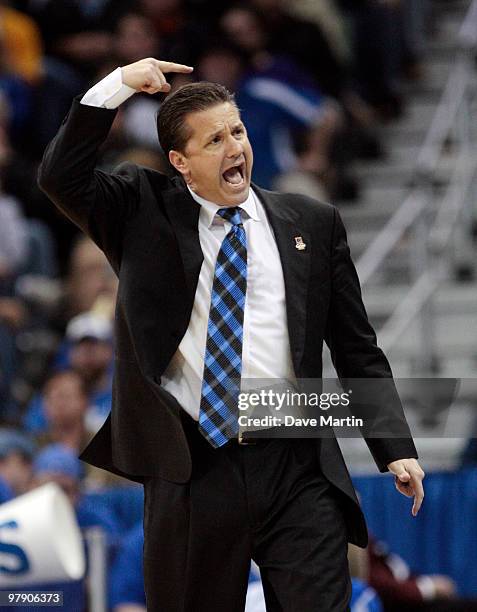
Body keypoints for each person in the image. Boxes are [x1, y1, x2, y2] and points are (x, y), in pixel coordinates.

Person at [38, 57, 425, 611]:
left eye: (237, 131)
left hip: (297, 462)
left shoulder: (311, 223)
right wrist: (119, 85)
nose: (234, 147)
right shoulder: (141, 211)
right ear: (181, 162)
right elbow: (59, 177)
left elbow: (356, 345)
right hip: (194, 467)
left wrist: (394, 448)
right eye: (214, 139)